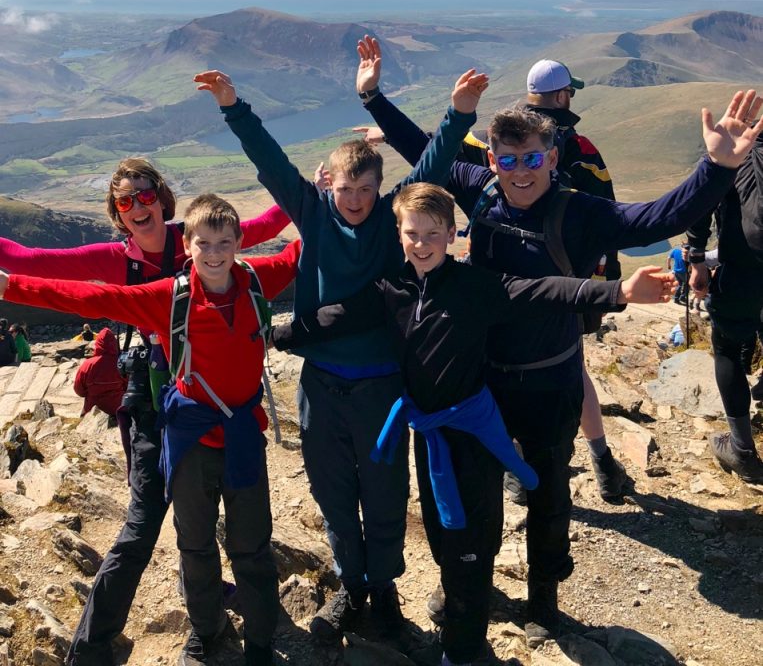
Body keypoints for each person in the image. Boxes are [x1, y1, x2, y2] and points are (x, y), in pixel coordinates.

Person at [356, 47, 763, 645]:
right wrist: (373, 98)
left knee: (548, 494)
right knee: (474, 491)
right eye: (509, 159)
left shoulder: (578, 211)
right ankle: (467, 580)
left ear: (552, 155)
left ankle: (544, 597)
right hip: (482, 381)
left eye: (534, 158)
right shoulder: (482, 190)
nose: (521, 171)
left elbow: (656, 216)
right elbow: (426, 151)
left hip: (550, 380)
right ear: (492, 159)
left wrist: (718, 167)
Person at [274, 183, 673, 666]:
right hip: (429, 434)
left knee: (468, 540)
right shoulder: (391, 290)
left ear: (451, 234)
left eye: (432, 234)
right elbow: (339, 316)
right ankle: (465, 601)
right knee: (445, 537)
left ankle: (463, 651)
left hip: (472, 434)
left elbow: (545, 290)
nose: (421, 243)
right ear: (399, 234)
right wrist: (276, 334)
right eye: (412, 233)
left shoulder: (476, 286)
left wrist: (618, 291)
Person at [194, 65, 489, 643]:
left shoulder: (391, 221)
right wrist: (234, 105)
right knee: (333, 493)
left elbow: (431, 165)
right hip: (322, 386)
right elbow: (270, 160)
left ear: (381, 188)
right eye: (344, 189)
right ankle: (351, 585)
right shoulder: (312, 214)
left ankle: (384, 590)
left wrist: (459, 114)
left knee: (383, 492)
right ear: (328, 184)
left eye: (365, 189)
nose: (354, 200)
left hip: (381, 387)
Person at [0, 156, 291, 666]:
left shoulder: (201, 239)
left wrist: (320, 194)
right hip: (157, 408)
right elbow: (41, 266)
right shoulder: (126, 265)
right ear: (117, 210)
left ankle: (220, 613)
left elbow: (269, 231)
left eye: (145, 194)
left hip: (202, 403)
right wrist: (9, 285)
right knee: (147, 526)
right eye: (125, 200)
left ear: (162, 196)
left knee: (211, 520)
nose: (137, 205)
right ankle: (95, 646)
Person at [357, 47, 629, 500]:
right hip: (562, 291)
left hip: (492, 291)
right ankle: (599, 459)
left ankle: (513, 463)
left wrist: (377, 106)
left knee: (494, 370)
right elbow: (611, 219)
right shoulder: (580, 151)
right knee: (569, 368)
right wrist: (604, 286)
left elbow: (434, 149)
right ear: (563, 96)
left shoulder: (496, 145)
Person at [688, 129, 763, 483]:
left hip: (743, 271)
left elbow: (700, 202)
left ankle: (742, 451)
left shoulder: (740, 149)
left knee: (729, 349)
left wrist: (697, 258)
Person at [73, 327, 126, 417]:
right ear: (114, 343)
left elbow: (79, 390)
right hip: (118, 407)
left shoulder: (88, 364)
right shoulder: (121, 363)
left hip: (93, 408)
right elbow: (127, 386)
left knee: (82, 416)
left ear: (98, 344)